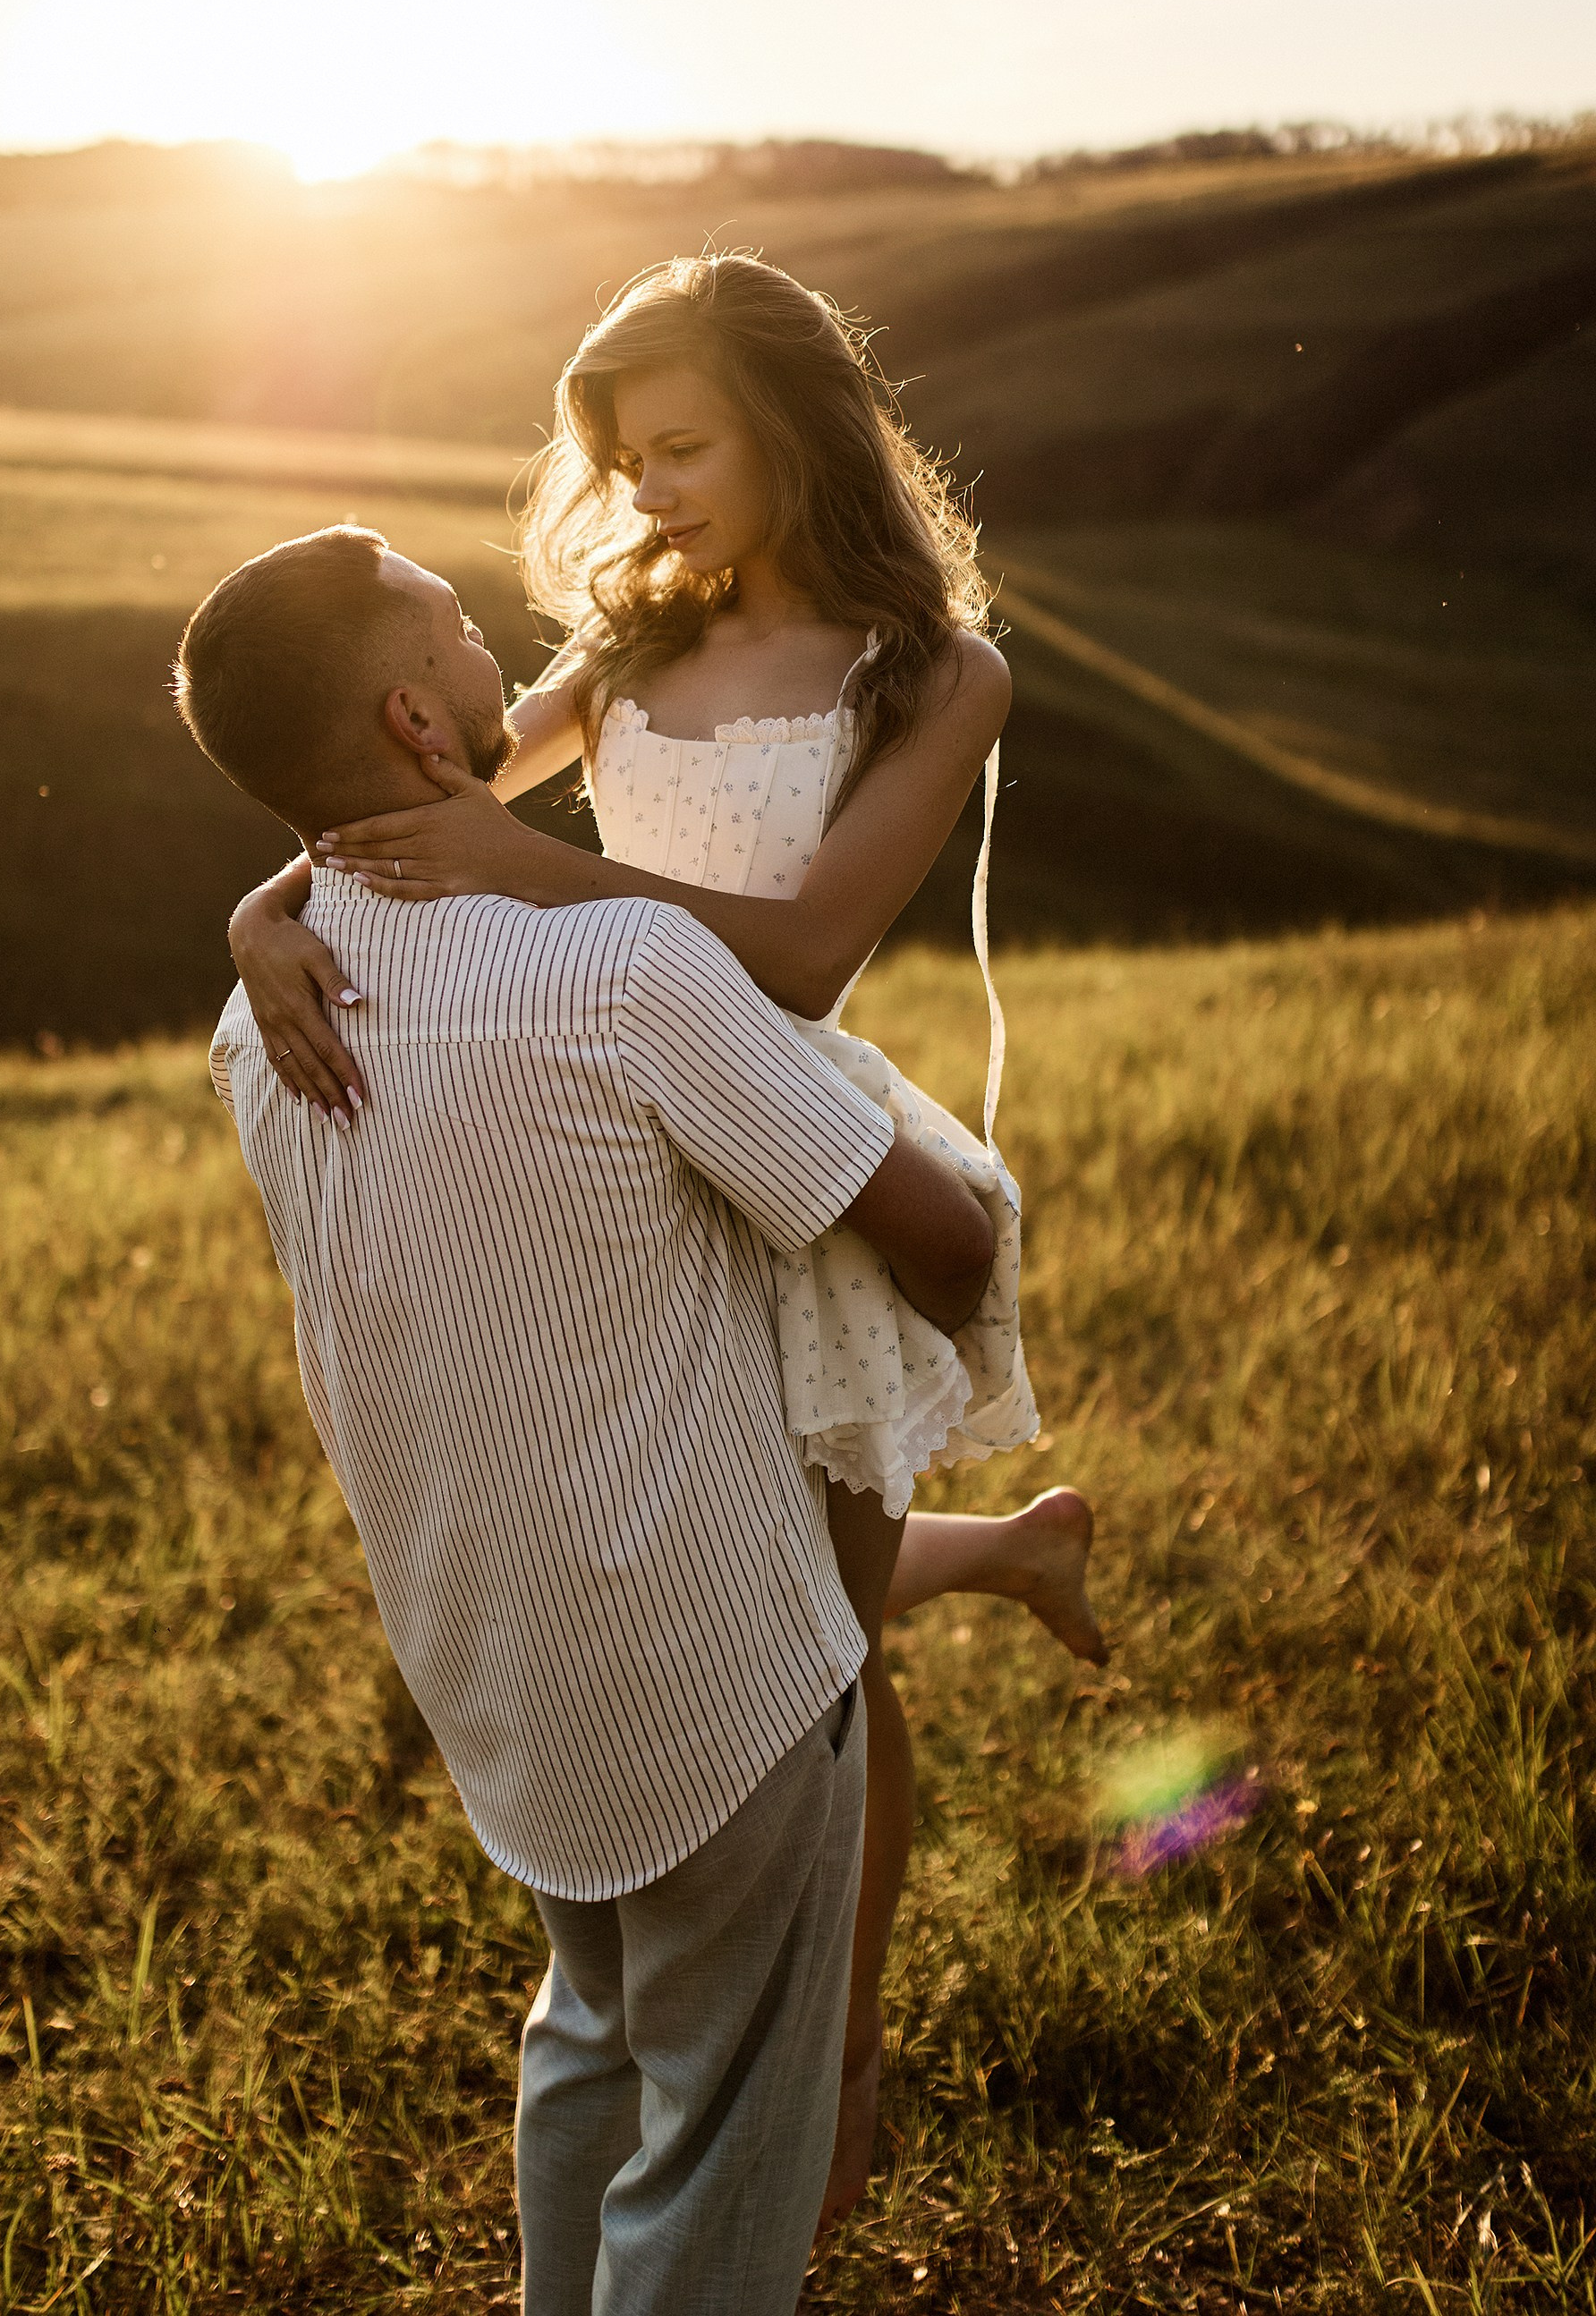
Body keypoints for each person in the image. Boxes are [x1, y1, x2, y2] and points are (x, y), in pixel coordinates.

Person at [229, 251, 1107, 2217]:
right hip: (635, 1124)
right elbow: (395, 788)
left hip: (778, 1118)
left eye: (685, 448)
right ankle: (1014, 1551)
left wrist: (535, 878)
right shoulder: (630, 645)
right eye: (625, 464)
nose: (653, 498)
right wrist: (258, 913)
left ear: (801, 422)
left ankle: (841, 2058)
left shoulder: (933, 675)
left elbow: (802, 954)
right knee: (747, 1588)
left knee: (819, 1677)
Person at [174, 522, 998, 2312]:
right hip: (707, 1666)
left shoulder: (266, 1010)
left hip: (491, 1666)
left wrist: (263, 908)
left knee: (596, 2047)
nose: (494, 649)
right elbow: (947, 1252)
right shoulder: (623, 971)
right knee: (715, 2157)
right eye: (459, 628)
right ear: (416, 713)